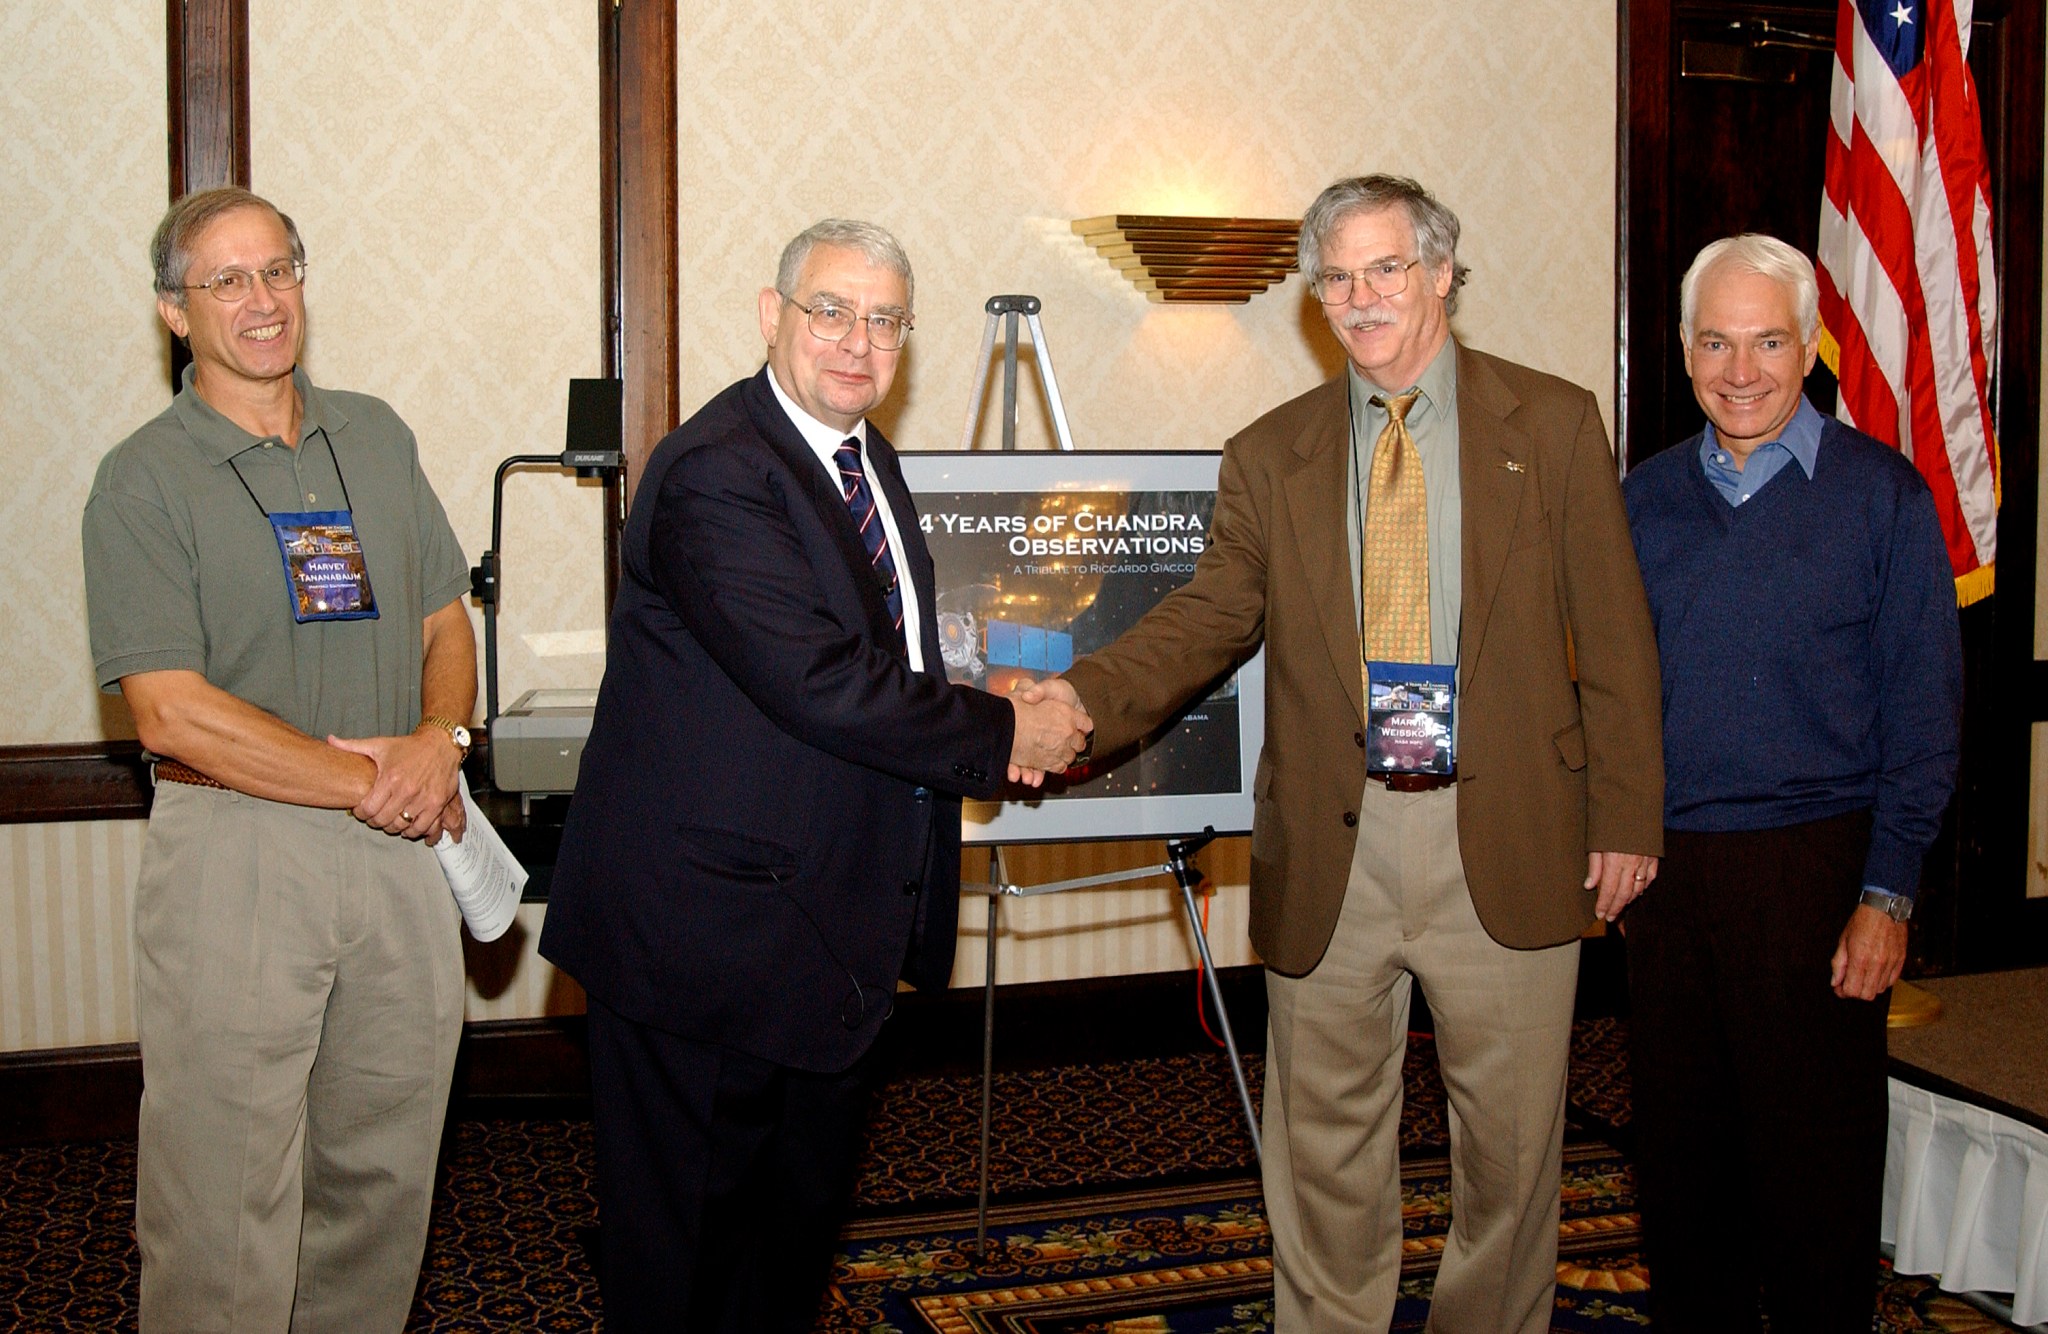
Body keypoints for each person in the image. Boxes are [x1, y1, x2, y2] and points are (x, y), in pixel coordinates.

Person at [1032, 174, 1665, 1332]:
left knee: (1513, 1151)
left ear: (1438, 274)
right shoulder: (1270, 452)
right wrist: (1074, 695)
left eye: (1384, 269)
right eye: (1336, 277)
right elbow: (1203, 619)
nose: (1362, 297)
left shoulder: (1555, 421)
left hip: (1512, 832)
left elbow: (1615, 633)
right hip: (1339, 839)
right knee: (1322, 1147)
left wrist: (1624, 816)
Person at [538, 218, 1093, 1332]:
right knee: (686, 1258)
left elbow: (893, 655)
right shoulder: (715, 472)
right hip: (705, 943)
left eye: (885, 319)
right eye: (829, 311)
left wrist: (1007, 700)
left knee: (783, 1245)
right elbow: (816, 677)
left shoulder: (858, 457)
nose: (857, 341)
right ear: (769, 316)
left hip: (820, 934)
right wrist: (1000, 731)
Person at [81, 187, 478, 1330]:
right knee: (225, 1200)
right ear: (173, 310)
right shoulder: (144, 476)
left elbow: (444, 620)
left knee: (383, 1179)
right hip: (238, 848)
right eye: (227, 280)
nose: (262, 301)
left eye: (278, 271)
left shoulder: (377, 431)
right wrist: (377, 778)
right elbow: (170, 713)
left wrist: (440, 742)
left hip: (402, 850)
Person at [1621, 234, 1962, 1332]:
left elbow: (1923, 715)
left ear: (1810, 344)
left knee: (1813, 1182)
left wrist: (1887, 892)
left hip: (1819, 878)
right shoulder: (1638, 502)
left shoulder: (1883, 498)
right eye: (1714, 340)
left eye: (1766, 339)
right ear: (1681, 350)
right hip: (1666, 882)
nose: (1740, 368)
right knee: (1683, 1178)